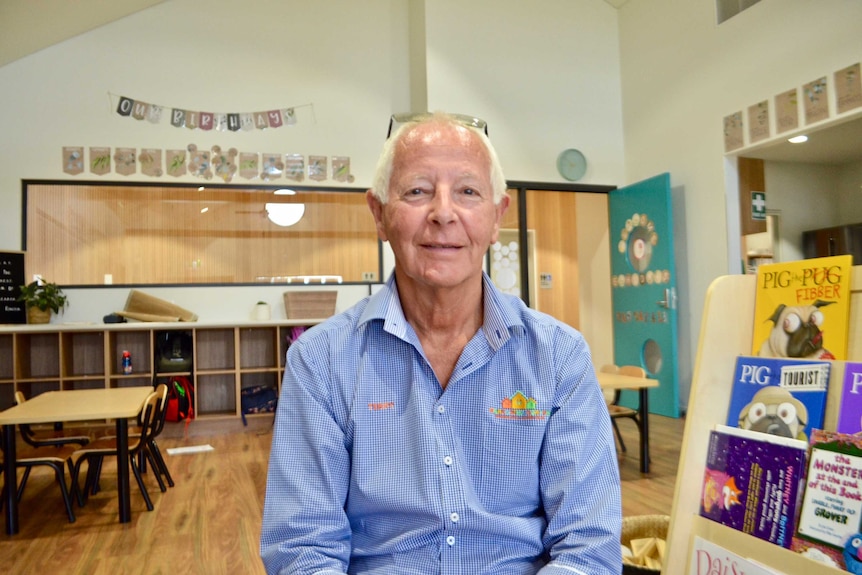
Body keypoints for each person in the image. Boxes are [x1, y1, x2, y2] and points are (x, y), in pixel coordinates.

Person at [261, 111, 622, 574]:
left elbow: (588, 545)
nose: (443, 213)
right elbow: (302, 548)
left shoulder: (558, 356)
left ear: (496, 218)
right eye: (417, 191)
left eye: (468, 192)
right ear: (379, 214)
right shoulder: (321, 361)